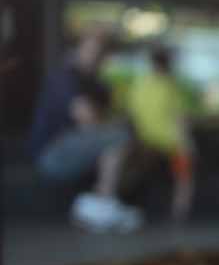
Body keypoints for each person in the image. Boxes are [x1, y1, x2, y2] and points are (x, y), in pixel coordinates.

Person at [29, 28, 143, 232]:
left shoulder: (100, 86)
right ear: (78, 49)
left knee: (133, 142)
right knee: (120, 136)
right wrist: (109, 122)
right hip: (51, 154)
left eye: (101, 52)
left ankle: (96, 204)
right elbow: (87, 117)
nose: (95, 56)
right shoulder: (63, 77)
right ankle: (102, 204)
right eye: (91, 49)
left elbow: (106, 121)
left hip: (80, 149)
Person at [128, 46, 195, 221]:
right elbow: (182, 119)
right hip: (171, 144)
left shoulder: (139, 85)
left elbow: (132, 115)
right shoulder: (172, 86)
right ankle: (180, 212)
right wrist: (185, 143)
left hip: (145, 141)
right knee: (184, 174)